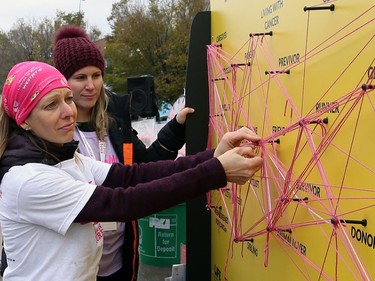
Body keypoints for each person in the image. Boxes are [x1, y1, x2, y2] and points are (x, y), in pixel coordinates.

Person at [0, 61, 262, 280]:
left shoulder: (66, 157)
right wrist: (216, 171)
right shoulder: (28, 180)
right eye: (50, 105)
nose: (68, 111)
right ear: (23, 121)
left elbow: (132, 175)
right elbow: (122, 203)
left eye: (67, 98)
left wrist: (213, 157)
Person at [51, 25, 193, 280]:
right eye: (80, 77)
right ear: (63, 82)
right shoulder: (52, 133)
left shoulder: (115, 120)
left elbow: (144, 168)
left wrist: (176, 128)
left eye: (96, 75)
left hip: (118, 261)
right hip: (73, 267)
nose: (91, 85)